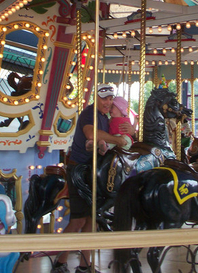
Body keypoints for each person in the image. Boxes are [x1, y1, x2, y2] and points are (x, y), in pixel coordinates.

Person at [53, 84, 135, 273]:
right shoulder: (89, 114)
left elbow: (115, 136)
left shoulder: (105, 118)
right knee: (78, 221)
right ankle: (59, 262)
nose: (108, 102)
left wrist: (129, 131)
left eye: (110, 99)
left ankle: (84, 266)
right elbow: (91, 133)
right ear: (96, 99)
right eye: (104, 98)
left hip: (95, 171)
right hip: (80, 171)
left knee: (91, 220)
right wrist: (119, 140)